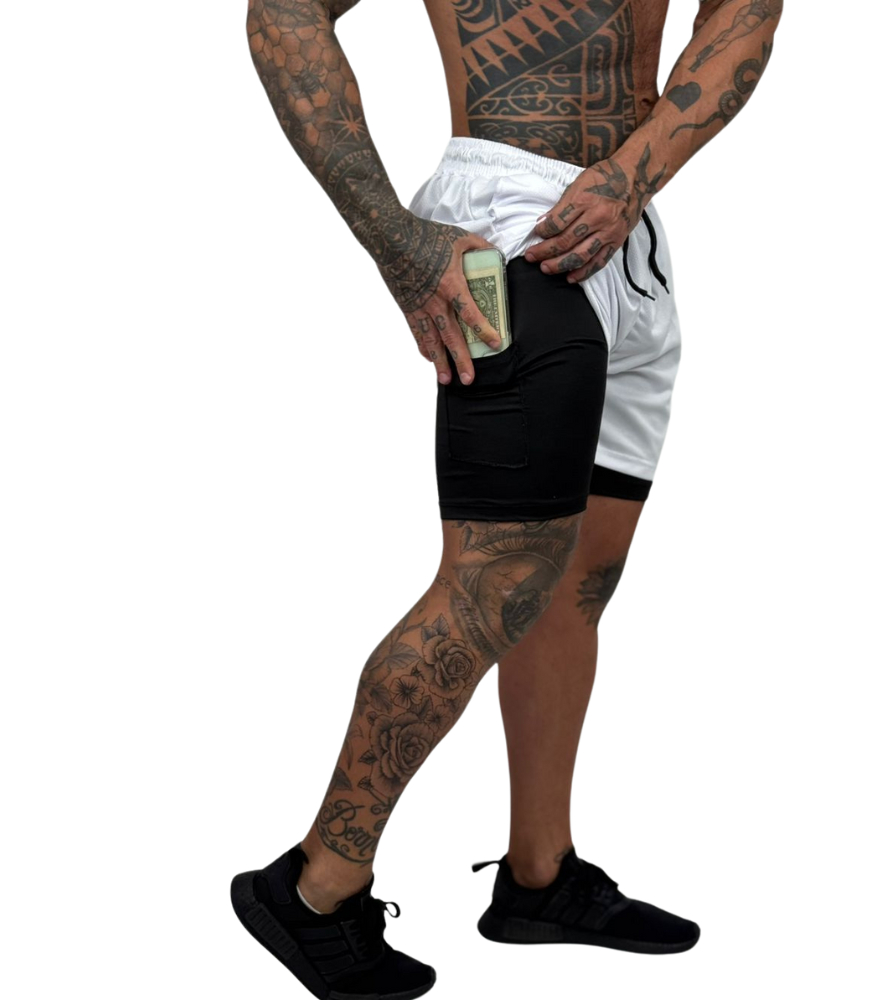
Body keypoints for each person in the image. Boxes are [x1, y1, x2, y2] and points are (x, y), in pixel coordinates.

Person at [233, 2, 783, 997]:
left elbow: (745, 14)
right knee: (496, 581)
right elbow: (284, 12)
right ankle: (315, 882)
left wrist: (632, 174)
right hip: (508, 234)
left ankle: (540, 876)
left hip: (628, 234)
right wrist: (394, 238)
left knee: (577, 581)